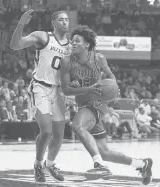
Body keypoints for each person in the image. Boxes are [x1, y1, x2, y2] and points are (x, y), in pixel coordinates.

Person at [60, 25, 153, 185]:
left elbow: (110, 76)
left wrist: (113, 88)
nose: (73, 43)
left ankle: (98, 165)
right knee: (105, 152)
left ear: (87, 45)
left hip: (97, 103)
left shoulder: (99, 58)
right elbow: (66, 90)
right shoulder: (66, 61)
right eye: (72, 41)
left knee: (77, 126)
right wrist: (86, 88)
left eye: (77, 41)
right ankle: (142, 164)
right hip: (83, 104)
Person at [10, 10, 72, 182]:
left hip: (58, 91)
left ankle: (50, 164)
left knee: (59, 135)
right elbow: (15, 45)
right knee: (46, 131)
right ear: (53, 22)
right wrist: (21, 24)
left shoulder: (71, 46)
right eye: (61, 20)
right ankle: (38, 164)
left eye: (67, 20)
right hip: (40, 87)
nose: (65, 23)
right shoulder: (43, 37)